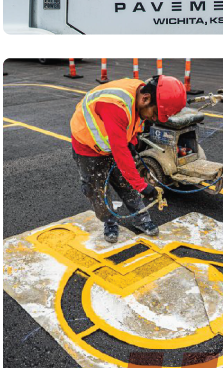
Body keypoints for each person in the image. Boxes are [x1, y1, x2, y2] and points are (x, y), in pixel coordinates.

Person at [70, 75, 186, 243]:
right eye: (155, 114)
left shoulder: (140, 94)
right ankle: (109, 221)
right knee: (97, 189)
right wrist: (142, 186)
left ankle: (141, 218)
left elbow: (133, 120)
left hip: (112, 138)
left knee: (125, 182)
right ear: (146, 99)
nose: (153, 119)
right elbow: (119, 151)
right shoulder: (115, 106)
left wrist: (131, 140)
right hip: (88, 146)